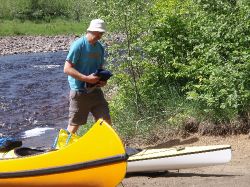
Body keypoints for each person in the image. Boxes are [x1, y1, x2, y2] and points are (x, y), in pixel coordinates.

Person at [64, 19, 111, 134]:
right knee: (74, 125)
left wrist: (102, 81)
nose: (99, 36)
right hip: (79, 92)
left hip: (95, 90)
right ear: (90, 30)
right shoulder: (79, 45)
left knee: (105, 121)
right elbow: (67, 69)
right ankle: (61, 149)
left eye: (101, 33)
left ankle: (102, 147)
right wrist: (86, 78)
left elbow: (99, 69)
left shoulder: (100, 48)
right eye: (97, 32)